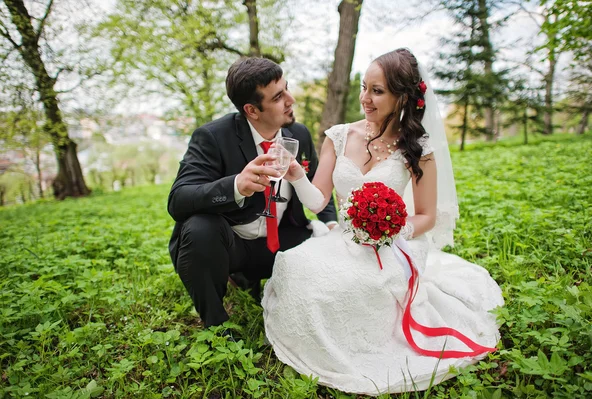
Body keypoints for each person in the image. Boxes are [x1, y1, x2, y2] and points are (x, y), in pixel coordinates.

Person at [261, 48, 504, 395]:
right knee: (299, 271)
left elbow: (427, 216)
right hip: (342, 239)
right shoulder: (339, 136)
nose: (365, 99)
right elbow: (318, 201)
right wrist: (298, 174)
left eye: (377, 91)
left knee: (360, 288)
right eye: (364, 87)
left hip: (392, 245)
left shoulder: (417, 147)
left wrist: (390, 230)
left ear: (402, 96)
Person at [167, 57, 337, 331]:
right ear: (252, 110)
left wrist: (331, 224)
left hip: (284, 237)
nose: (291, 100)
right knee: (198, 229)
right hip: (234, 243)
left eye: (287, 89)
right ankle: (216, 324)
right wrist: (236, 185)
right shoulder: (212, 137)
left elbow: (317, 185)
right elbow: (179, 199)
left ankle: (259, 279)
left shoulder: (299, 135)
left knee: (329, 259)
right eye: (279, 96)